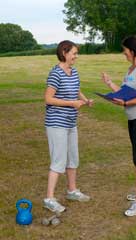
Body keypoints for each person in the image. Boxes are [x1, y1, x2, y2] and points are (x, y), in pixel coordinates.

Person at [101, 35, 136, 217]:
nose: (123, 53)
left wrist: (125, 104)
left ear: (132, 51)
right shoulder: (131, 68)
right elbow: (126, 93)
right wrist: (110, 84)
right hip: (134, 118)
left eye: (125, 50)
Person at [43, 40, 93, 213]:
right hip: (56, 123)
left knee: (73, 157)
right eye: (74, 53)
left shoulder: (74, 71)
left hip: (71, 122)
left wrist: (85, 100)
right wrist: (71, 103)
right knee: (58, 160)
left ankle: (72, 191)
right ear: (64, 53)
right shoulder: (55, 73)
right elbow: (48, 99)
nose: (76, 56)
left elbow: (77, 90)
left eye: (76, 53)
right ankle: (49, 198)